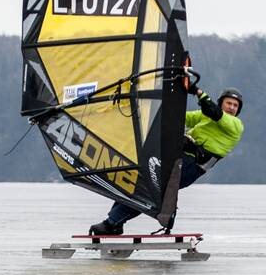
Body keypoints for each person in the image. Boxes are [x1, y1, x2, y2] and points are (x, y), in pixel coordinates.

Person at [88, 84, 245, 235]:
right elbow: (180, 118)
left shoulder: (235, 125)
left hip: (191, 168)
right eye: (229, 103)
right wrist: (155, 107)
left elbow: (214, 112)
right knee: (139, 182)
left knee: (149, 189)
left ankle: (112, 223)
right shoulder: (204, 117)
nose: (232, 108)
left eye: (235, 106)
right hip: (178, 159)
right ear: (221, 103)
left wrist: (198, 92)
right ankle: (114, 222)